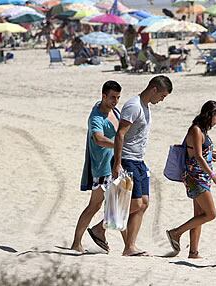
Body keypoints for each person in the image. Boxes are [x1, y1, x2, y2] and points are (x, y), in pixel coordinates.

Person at [112, 75, 172, 256]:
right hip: (127, 158)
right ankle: (103, 224)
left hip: (139, 160)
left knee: (144, 203)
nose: (161, 100)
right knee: (136, 203)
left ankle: (129, 246)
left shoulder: (145, 107)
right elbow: (120, 134)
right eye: (162, 96)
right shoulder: (133, 106)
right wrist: (117, 163)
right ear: (154, 89)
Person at [166, 101, 216, 259]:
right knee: (210, 214)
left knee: (199, 214)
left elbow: (201, 153)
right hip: (195, 177)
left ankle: (193, 252)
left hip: (201, 176)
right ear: (210, 115)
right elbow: (198, 156)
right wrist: (214, 176)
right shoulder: (196, 130)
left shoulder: (202, 130)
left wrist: (212, 156)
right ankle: (175, 232)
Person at [71, 81, 122, 253]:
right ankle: (80, 240)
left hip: (113, 165)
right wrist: (117, 145)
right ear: (104, 96)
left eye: (118, 97)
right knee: (100, 205)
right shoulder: (96, 117)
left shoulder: (113, 110)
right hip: (102, 168)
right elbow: (98, 139)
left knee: (115, 204)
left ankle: (98, 232)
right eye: (112, 97)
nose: (115, 101)